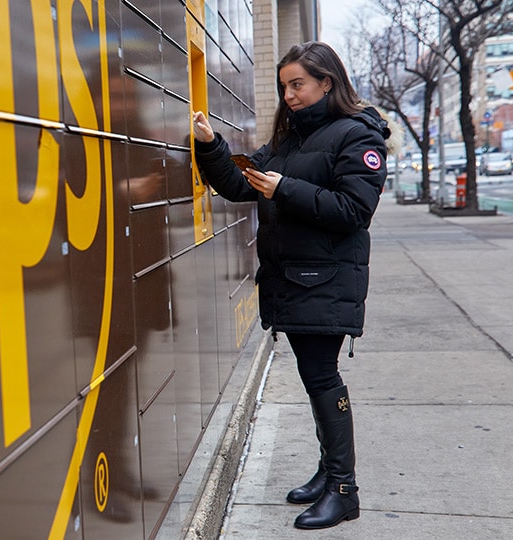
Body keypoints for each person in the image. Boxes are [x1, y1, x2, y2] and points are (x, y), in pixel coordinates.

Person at [191, 41, 392, 530]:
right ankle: (329, 475)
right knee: (313, 375)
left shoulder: (358, 136)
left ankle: (344, 490)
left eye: (297, 84)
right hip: (295, 280)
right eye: (284, 87)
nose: (290, 94)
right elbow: (242, 185)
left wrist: (285, 188)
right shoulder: (291, 139)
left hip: (326, 280)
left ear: (327, 82)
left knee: (322, 377)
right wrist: (209, 144)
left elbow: (353, 211)